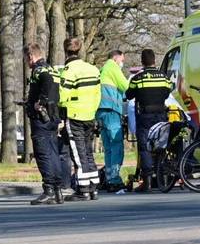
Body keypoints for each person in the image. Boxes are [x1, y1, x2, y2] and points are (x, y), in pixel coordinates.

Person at [59, 37, 102, 201]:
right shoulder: (92, 69)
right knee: (88, 152)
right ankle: (93, 188)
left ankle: (83, 190)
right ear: (80, 50)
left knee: (78, 153)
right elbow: (98, 94)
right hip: (90, 115)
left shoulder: (68, 70)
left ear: (66, 51)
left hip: (75, 114)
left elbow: (63, 96)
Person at [125, 48, 173, 193]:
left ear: (142, 62)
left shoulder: (138, 78)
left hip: (144, 116)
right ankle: (161, 178)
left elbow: (129, 95)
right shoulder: (164, 77)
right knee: (160, 146)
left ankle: (147, 182)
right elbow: (167, 92)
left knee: (145, 147)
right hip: (161, 115)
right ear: (154, 61)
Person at [23, 43, 65, 205]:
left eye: (26, 59)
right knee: (54, 152)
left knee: (43, 154)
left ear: (30, 56)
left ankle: (48, 190)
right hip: (53, 116)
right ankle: (57, 190)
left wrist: (40, 102)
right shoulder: (53, 69)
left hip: (41, 118)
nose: (27, 63)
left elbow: (46, 83)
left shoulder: (39, 70)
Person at [97, 50, 129, 191]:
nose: (122, 63)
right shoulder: (112, 67)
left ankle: (110, 178)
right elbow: (125, 86)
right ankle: (115, 179)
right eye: (122, 60)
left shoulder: (103, 68)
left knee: (108, 147)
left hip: (101, 112)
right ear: (116, 58)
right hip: (111, 110)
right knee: (116, 145)